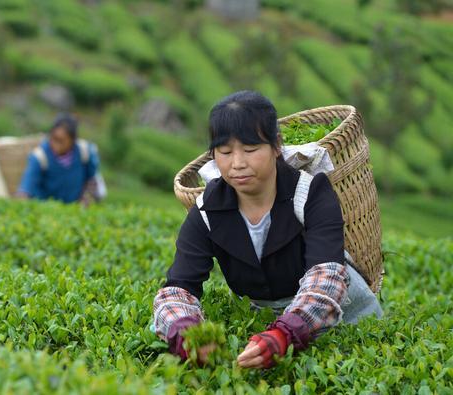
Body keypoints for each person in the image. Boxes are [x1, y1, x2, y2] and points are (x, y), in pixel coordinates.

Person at [152, 91, 382, 368]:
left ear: (276, 147)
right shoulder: (207, 211)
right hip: (264, 323)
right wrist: (186, 333)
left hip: (344, 315)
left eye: (250, 150)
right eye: (225, 152)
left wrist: (285, 334)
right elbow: (177, 289)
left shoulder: (311, 193)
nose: (237, 163)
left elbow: (327, 276)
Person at [17, 113, 104, 205]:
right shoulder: (39, 157)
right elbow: (26, 188)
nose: (55, 145)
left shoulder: (85, 152)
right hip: (46, 211)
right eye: (53, 139)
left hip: (75, 209)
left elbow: (92, 180)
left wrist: (87, 199)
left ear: (73, 140)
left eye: (61, 141)